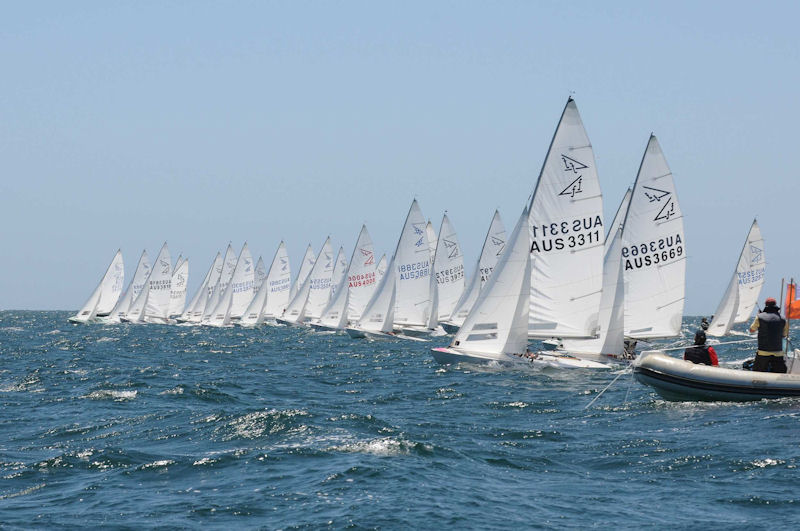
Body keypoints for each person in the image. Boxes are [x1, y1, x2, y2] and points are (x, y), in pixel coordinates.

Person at [748, 297, 789, 373]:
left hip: (763, 352)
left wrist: (759, 316)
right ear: (775, 305)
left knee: (757, 372)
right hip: (778, 352)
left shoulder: (759, 317)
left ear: (766, 305)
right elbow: (784, 334)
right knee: (780, 373)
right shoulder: (783, 319)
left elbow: (751, 330)